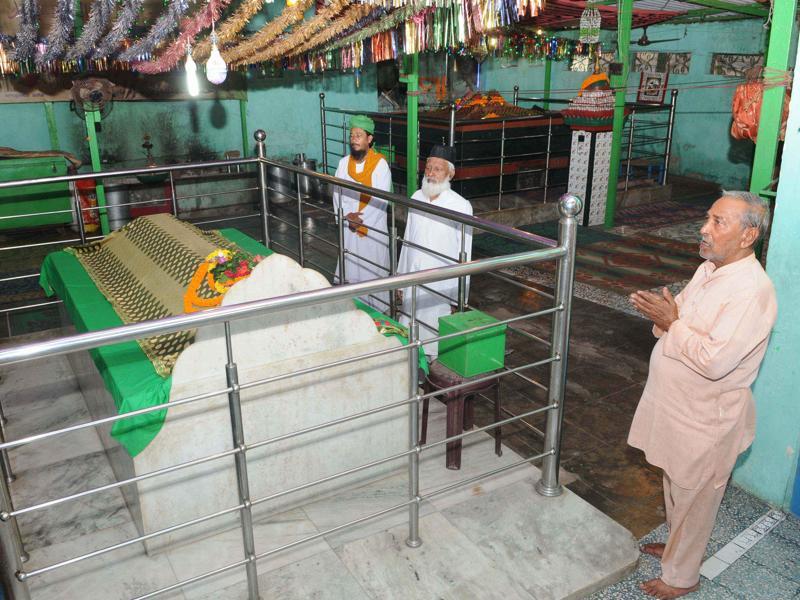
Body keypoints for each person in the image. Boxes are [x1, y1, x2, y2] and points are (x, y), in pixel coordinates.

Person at [627, 191, 777, 599]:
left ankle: (681, 576)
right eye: (707, 219)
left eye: (717, 223)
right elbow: (682, 321)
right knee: (676, 485)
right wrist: (666, 317)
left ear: (748, 235)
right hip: (678, 407)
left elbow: (714, 362)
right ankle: (677, 546)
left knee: (696, 500)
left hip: (707, 418)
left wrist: (671, 323)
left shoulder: (751, 290)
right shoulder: (709, 269)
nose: (704, 229)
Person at [397, 145, 473, 360]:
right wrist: (401, 280)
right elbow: (408, 240)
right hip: (414, 276)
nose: (430, 173)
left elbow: (464, 252)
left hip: (441, 285)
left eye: (437, 169)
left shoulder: (461, 205)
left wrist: (460, 297)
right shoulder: (416, 196)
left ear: (450, 174)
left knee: (435, 341)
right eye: (428, 168)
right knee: (409, 332)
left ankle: (431, 378)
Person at [332, 114, 393, 310]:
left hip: (371, 230)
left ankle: (378, 312)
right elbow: (337, 194)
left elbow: (381, 199)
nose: (354, 139)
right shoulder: (343, 164)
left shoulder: (380, 165)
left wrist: (359, 220)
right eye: (352, 135)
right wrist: (345, 216)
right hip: (348, 227)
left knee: (372, 273)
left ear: (369, 139)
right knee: (350, 271)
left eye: (359, 135)